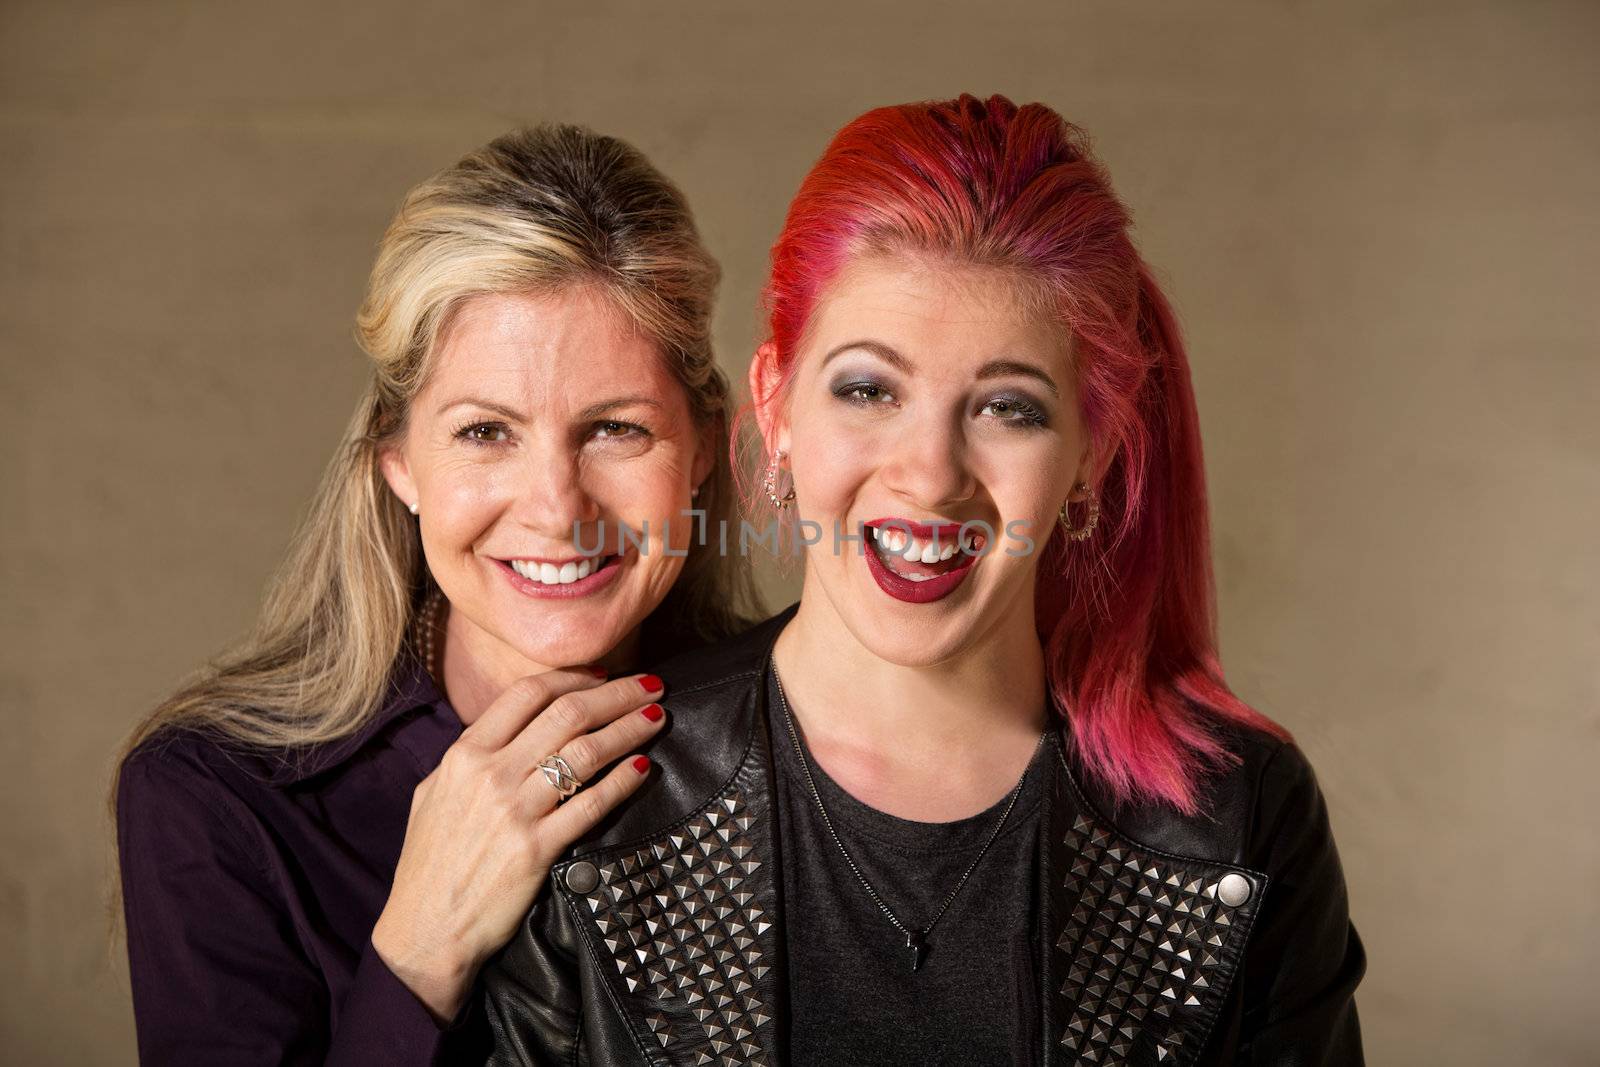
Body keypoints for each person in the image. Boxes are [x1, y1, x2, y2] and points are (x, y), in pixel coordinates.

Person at [479, 95, 1365, 1066]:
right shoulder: (599, 802)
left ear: (1093, 451)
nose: (929, 475)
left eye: (1007, 408)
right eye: (868, 389)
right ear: (776, 405)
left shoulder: (1241, 815)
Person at [113, 124, 759, 1065]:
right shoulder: (215, 799)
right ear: (399, 461)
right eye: (485, 432)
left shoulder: (806, 735)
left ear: (701, 449)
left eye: (616, 428)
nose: (555, 508)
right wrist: (418, 950)